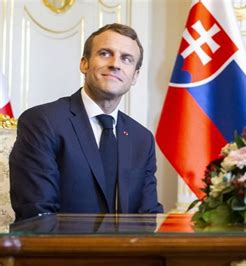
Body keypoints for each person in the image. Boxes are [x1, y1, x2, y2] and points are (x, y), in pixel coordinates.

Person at [9, 23, 164, 221]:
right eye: (105, 53)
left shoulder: (142, 138)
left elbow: (149, 215)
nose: (115, 64)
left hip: (126, 250)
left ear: (135, 76)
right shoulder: (42, 122)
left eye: (126, 59)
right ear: (84, 63)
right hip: (59, 250)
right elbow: (37, 214)